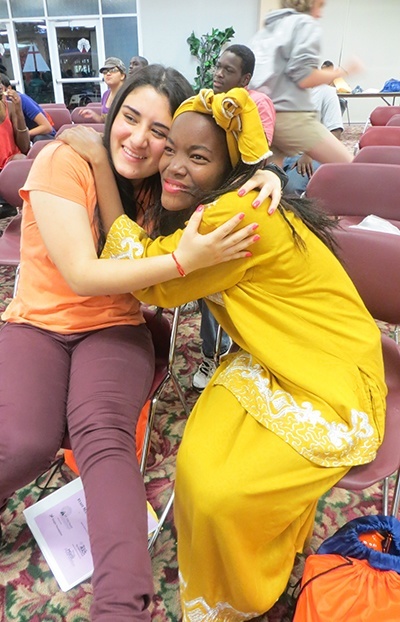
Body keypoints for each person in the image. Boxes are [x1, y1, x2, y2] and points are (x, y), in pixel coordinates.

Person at [0, 65, 282, 622]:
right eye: (130, 117)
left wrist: (269, 172)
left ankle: (123, 607)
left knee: (102, 436)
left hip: (115, 328)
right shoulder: (64, 159)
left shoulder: (162, 184)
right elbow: (81, 272)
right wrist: (180, 262)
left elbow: (221, 172)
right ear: (113, 108)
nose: (140, 139)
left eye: (159, 131)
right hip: (39, 323)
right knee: (25, 442)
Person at [98, 87, 386, 620]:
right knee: (198, 465)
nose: (174, 167)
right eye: (172, 148)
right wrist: (268, 167)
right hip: (275, 352)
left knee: (216, 492)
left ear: (231, 166)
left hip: (328, 369)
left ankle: (246, 593)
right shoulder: (233, 197)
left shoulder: (234, 215)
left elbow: (146, 278)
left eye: (198, 157)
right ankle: (260, 556)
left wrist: (97, 164)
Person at [193, 43, 279, 390]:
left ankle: (242, 352)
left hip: (241, 203)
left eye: (228, 71)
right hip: (209, 200)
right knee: (206, 286)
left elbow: (254, 159)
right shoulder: (206, 103)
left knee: (239, 286)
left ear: (245, 78)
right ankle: (210, 354)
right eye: (217, 67)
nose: (218, 74)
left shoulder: (256, 105)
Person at [249, 0, 362, 165]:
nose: (320, 13)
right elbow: (304, 78)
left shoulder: (267, 29)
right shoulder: (304, 23)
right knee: (351, 168)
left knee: (270, 178)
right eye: (320, 5)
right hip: (289, 117)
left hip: (261, 114)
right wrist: (345, 71)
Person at [283, 81, 344, 195]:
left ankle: (298, 212)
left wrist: (310, 154)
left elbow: (335, 133)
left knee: (290, 188)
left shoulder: (326, 92)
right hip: (283, 153)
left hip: (312, 155)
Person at [0, 73, 55, 143]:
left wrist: (23, 135)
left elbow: (47, 127)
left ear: (8, 89)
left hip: (42, 137)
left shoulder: (21, 99)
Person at [79, 57, 127, 123]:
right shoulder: (106, 94)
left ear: (122, 76)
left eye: (113, 70)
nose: (108, 74)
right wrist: (93, 115)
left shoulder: (129, 95)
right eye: (105, 72)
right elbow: (105, 122)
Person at [0, 75, 30, 171]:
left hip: (11, 164)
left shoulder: (10, 107)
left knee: (21, 159)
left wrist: (19, 111)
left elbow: (25, 147)